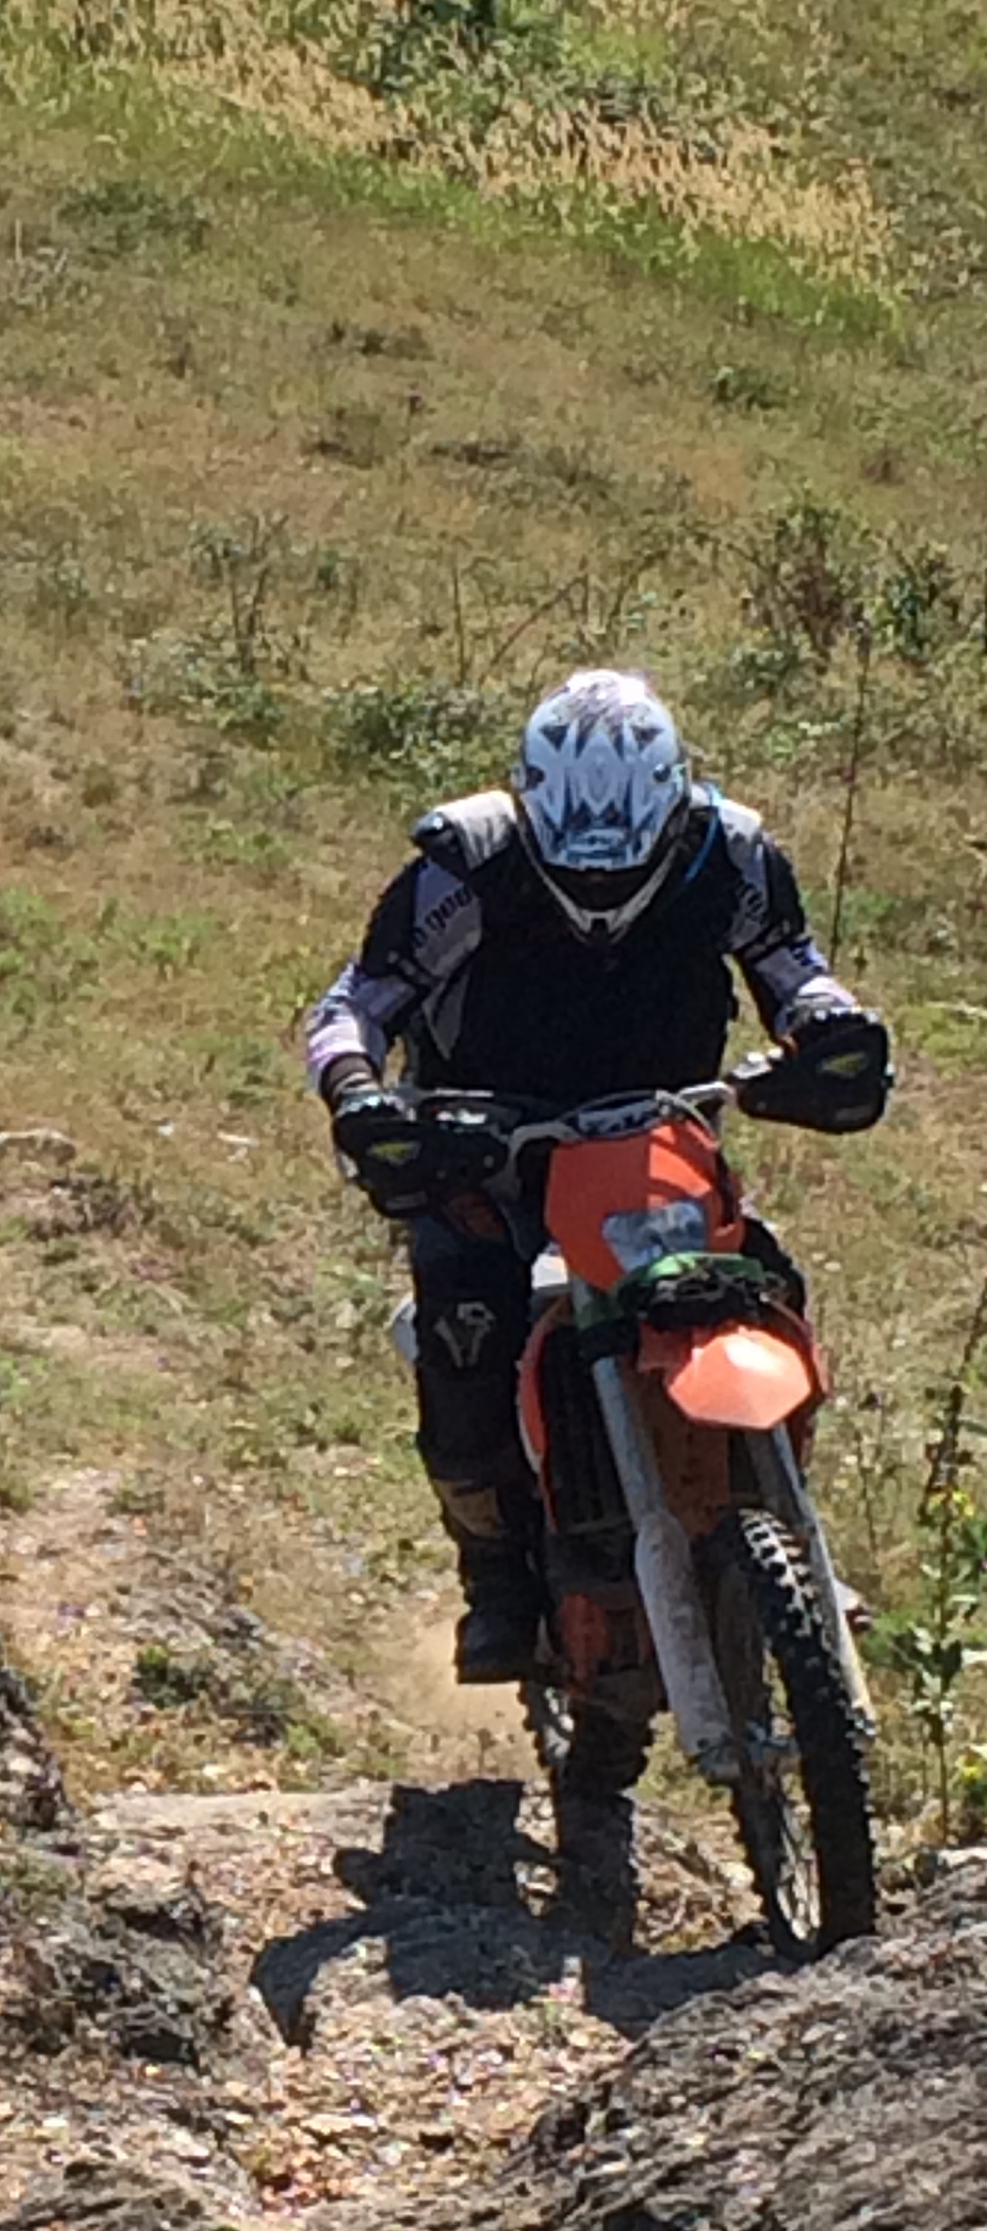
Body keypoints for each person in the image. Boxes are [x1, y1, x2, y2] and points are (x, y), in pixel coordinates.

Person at [306, 668, 892, 1685]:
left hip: (658, 1134)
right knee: (463, 1342)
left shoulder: (733, 856)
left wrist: (828, 1028)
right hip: (484, 1146)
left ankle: (782, 1523)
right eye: (577, 876)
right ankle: (494, 1576)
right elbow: (358, 1002)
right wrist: (361, 1094)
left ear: (672, 813)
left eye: (625, 874)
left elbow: (794, 967)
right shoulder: (467, 865)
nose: (601, 897)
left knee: (764, 1292)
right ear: (530, 814)